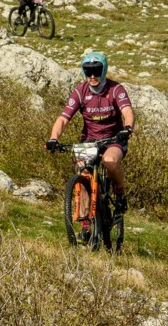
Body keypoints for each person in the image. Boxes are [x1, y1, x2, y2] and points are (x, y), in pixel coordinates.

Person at [45, 51, 135, 214]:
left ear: (104, 70)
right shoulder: (80, 92)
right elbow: (63, 119)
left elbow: (127, 111)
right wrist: (53, 138)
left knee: (109, 161)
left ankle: (120, 193)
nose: (92, 76)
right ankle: (86, 223)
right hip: (90, 140)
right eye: (88, 71)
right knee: (83, 173)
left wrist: (128, 128)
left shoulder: (115, 89)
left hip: (114, 139)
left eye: (97, 71)